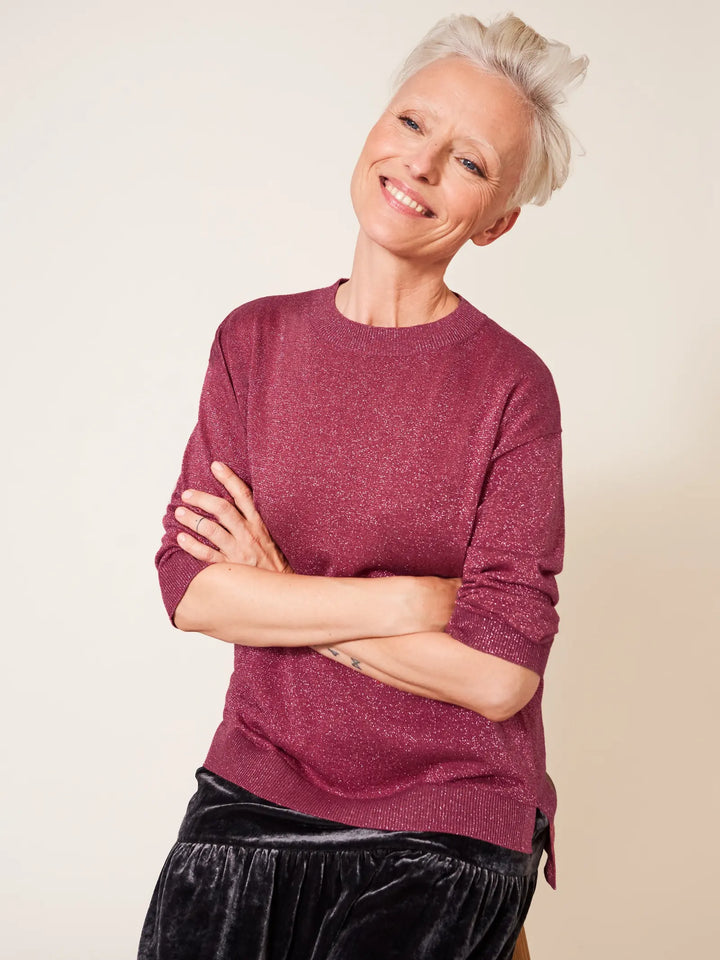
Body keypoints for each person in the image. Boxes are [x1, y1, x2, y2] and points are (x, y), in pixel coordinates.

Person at [137, 12, 588, 960]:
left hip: (451, 811)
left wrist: (281, 593)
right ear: (377, 128)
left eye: (470, 162)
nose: (420, 164)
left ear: (497, 221)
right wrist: (409, 602)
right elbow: (193, 589)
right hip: (256, 783)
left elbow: (499, 677)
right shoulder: (254, 341)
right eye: (414, 123)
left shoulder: (512, 387)